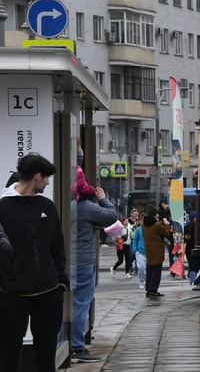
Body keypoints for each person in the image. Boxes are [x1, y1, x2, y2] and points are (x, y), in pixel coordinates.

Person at [0, 154, 69, 372]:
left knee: (46, 355)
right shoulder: (3, 208)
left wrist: (61, 282)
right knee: (9, 353)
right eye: (46, 178)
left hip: (48, 293)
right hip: (11, 294)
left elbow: (57, 246)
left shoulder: (47, 206)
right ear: (37, 177)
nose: (48, 183)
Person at [72, 166, 119, 362]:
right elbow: (111, 216)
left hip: (65, 260)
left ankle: (62, 343)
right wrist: (102, 198)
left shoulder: (64, 204)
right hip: (83, 261)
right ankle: (77, 346)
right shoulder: (85, 207)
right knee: (81, 304)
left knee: (64, 305)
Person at [143, 205, 172, 297]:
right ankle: (153, 289)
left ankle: (148, 288)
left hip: (149, 251)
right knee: (156, 272)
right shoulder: (157, 225)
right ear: (155, 215)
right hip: (157, 251)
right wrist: (166, 223)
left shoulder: (144, 224)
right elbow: (166, 233)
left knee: (150, 270)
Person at [184, 211, 200, 284]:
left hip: (194, 249)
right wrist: (186, 238)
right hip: (191, 249)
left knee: (196, 265)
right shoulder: (187, 227)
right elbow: (184, 239)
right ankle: (192, 280)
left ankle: (193, 279)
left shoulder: (198, 226)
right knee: (193, 265)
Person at [131, 215, 147, 289]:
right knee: (141, 267)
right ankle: (141, 281)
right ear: (141, 221)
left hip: (149, 252)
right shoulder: (138, 230)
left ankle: (147, 280)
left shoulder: (150, 229)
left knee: (148, 269)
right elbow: (135, 240)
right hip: (140, 252)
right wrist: (135, 250)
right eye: (143, 220)